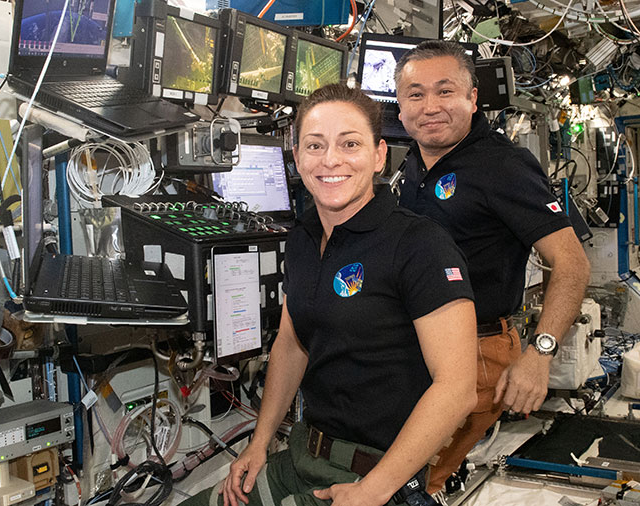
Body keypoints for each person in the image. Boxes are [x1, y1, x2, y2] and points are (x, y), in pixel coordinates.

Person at [182, 83, 477, 506]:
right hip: (302, 456)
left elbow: (458, 387)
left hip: (373, 475)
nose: (331, 160)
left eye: (350, 144)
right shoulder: (302, 238)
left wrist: (374, 490)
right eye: (315, 146)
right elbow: (291, 343)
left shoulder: (419, 244)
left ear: (378, 156)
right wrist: (260, 442)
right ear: (298, 158)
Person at [394, 40, 592, 493]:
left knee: (409, 481)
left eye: (445, 92)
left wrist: (539, 356)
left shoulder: (502, 164)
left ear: (472, 98)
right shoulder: (412, 162)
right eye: (415, 94)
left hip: (475, 350)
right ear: (400, 106)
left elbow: (572, 263)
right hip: (414, 347)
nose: (430, 107)